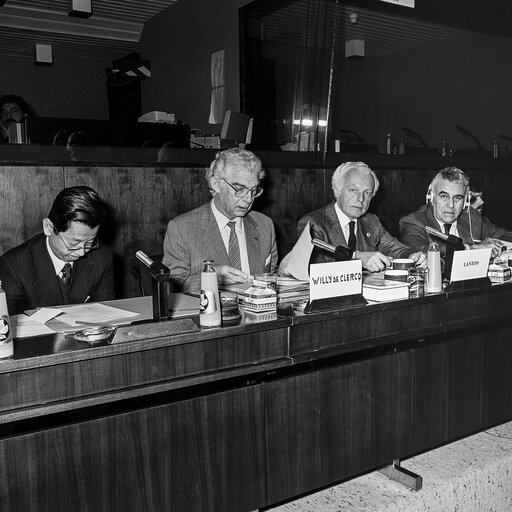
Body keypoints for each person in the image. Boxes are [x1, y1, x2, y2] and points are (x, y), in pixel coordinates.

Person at [163, 148, 278, 292]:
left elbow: (271, 281)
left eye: (253, 190)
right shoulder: (182, 228)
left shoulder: (265, 225)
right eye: (239, 189)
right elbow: (172, 290)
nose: (248, 199)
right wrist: (211, 278)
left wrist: (288, 274)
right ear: (216, 184)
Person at [0, 186, 114, 314]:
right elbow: (9, 326)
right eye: (73, 243)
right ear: (48, 227)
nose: (82, 252)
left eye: (89, 242)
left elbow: (106, 316)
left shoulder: (103, 257)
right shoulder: (14, 266)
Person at [297, 161, 426, 272]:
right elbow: (312, 269)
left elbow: (396, 250)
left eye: (367, 193)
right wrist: (356, 258)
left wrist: (414, 256)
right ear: (337, 190)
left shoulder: (371, 222)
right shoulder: (313, 223)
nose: (360, 199)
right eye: (353, 190)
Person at [399, 167, 512, 258]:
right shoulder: (412, 222)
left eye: (458, 198)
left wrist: (494, 243)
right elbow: (420, 250)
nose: (451, 205)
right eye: (444, 196)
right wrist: (472, 248)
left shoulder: (472, 217)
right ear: (431, 197)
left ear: (465, 202)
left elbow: (506, 235)